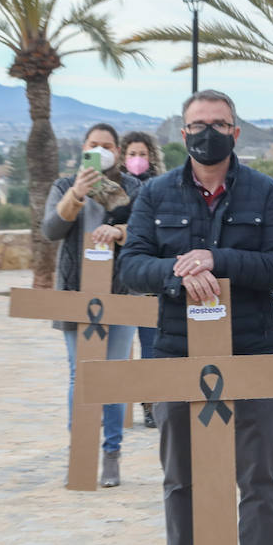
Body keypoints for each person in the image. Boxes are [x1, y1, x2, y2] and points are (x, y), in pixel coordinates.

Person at [119, 89, 273, 545]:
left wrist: (217, 261)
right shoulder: (154, 195)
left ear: (236, 132)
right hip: (176, 354)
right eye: (198, 124)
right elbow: (131, 266)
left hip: (252, 355)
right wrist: (179, 273)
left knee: (258, 477)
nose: (208, 133)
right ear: (183, 132)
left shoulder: (265, 193)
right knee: (180, 479)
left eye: (219, 124)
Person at [42, 123, 141, 487]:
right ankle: (80, 448)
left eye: (108, 145)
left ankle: (112, 452)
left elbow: (146, 232)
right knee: (79, 374)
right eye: (94, 145)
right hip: (74, 294)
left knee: (112, 377)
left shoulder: (132, 187)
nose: (101, 150)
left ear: (117, 150)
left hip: (119, 294)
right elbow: (50, 229)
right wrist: (77, 195)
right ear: (83, 148)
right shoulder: (65, 186)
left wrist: (121, 232)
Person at [121, 130, 166, 428]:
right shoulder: (112, 189)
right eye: (131, 154)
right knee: (120, 350)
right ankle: (113, 404)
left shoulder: (161, 189)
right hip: (122, 282)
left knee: (151, 347)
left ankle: (152, 405)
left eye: (142, 154)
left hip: (151, 281)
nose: (137, 160)